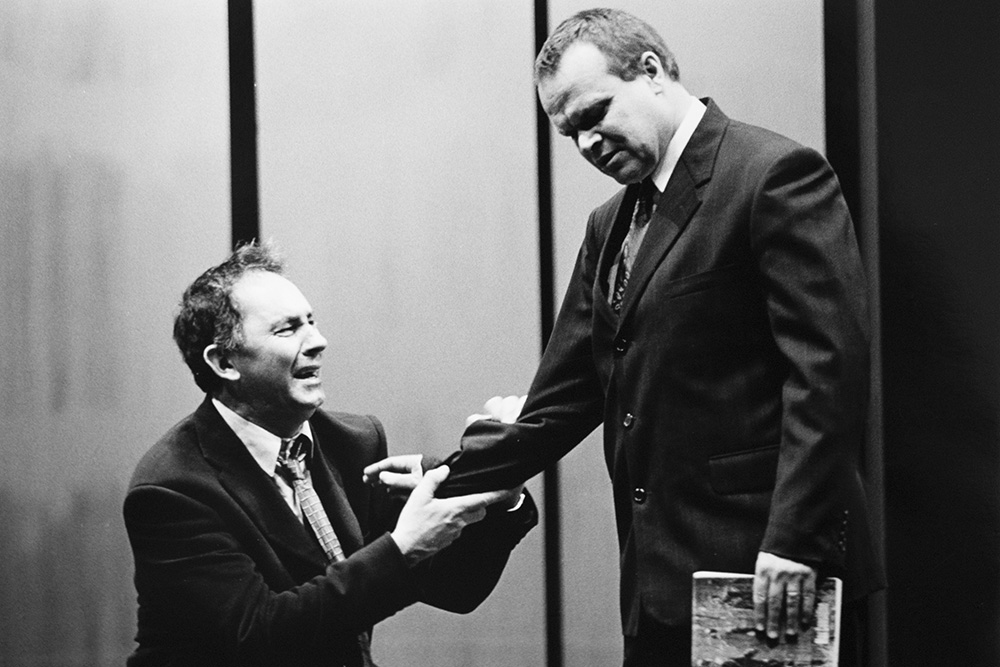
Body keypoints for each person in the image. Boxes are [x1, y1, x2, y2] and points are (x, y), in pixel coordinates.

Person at [365, 8, 884, 666]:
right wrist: (447, 474)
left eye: (595, 113)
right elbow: (556, 406)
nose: (587, 144)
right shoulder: (607, 225)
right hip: (657, 587)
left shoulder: (773, 175)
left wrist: (794, 540)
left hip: (773, 574)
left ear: (653, 72)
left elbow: (827, 374)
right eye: (569, 132)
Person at [123, 242, 536, 667]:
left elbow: (453, 588)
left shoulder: (352, 441)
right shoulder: (172, 488)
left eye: (312, 322)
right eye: (288, 330)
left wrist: (499, 491)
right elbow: (260, 634)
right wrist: (403, 547)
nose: (318, 341)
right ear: (225, 362)